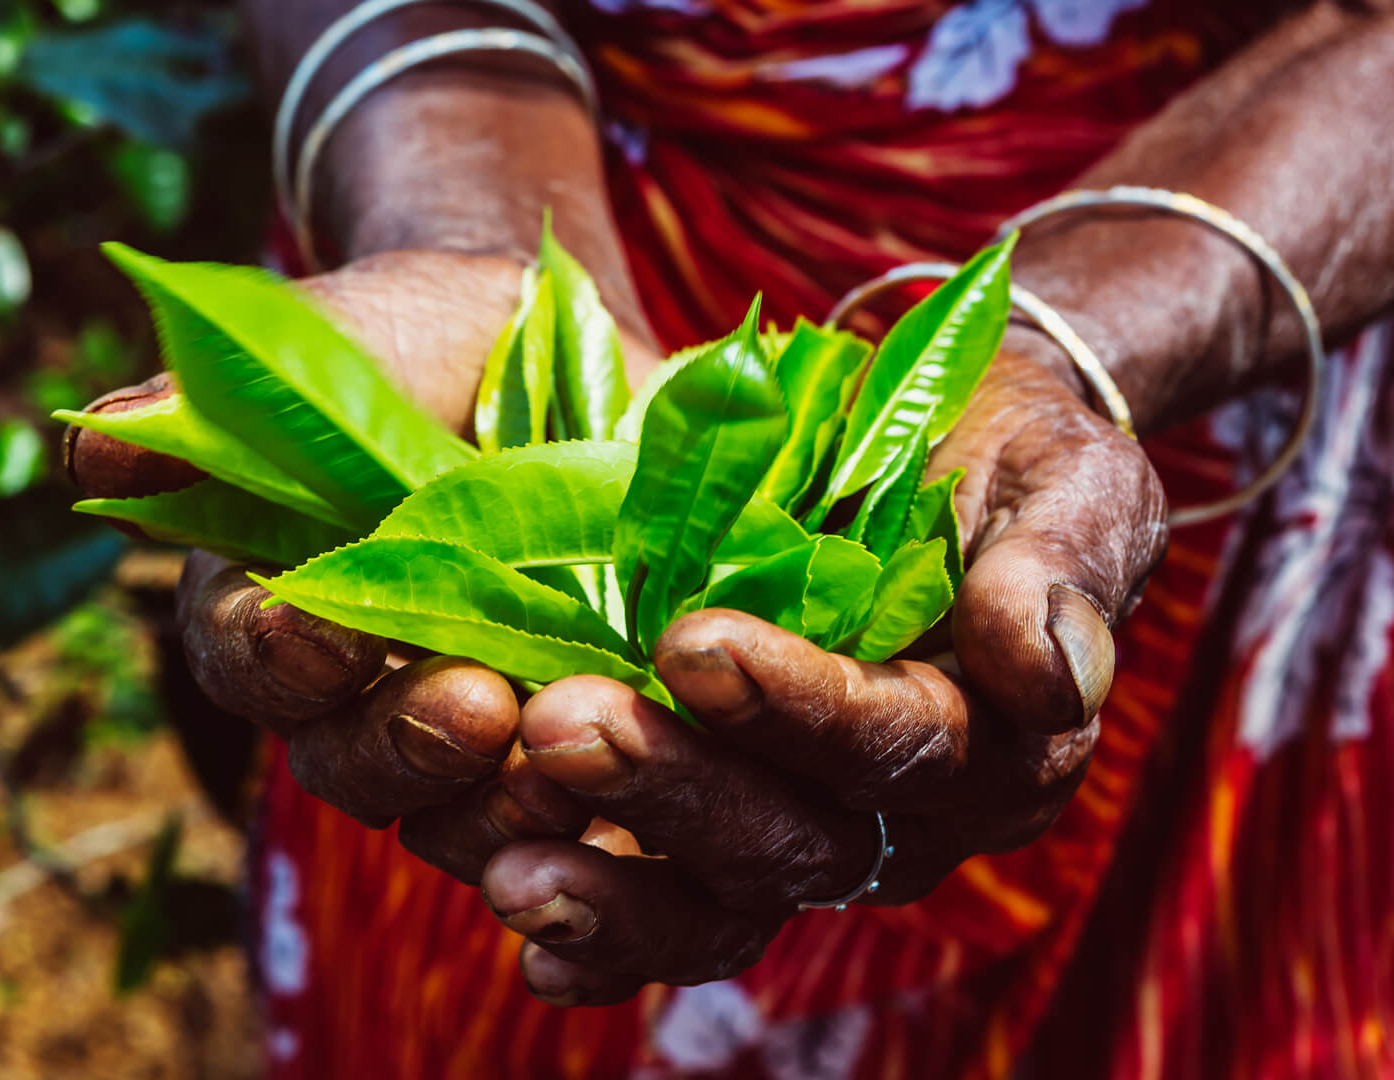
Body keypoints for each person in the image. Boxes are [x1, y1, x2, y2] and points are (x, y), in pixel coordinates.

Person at [68, 1, 1394, 1076]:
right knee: (501, 844)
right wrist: (460, 221)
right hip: (544, 208)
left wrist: (1063, 347)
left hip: (1215, 273)